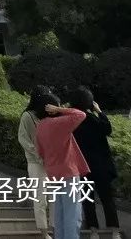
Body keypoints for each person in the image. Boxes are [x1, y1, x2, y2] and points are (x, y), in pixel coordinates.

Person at [67, 87, 118, 235]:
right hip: (101, 166)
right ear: (89, 102)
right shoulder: (93, 119)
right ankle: (114, 231)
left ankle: (93, 230)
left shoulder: (72, 121)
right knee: (107, 199)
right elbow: (108, 129)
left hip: (82, 166)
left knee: (87, 200)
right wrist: (99, 111)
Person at [36, 98, 90, 239]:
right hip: (69, 173)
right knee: (72, 215)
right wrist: (60, 110)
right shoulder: (59, 123)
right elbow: (81, 114)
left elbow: (40, 152)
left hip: (53, 174)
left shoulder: (41, 125)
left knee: (59, 215)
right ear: (52, 108)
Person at [18, 87, 56, 236]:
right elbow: (23, 138)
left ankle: (53, 227)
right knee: (40, 198)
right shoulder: (27, 116)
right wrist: (37, 152)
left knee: (53, 197)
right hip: (36, 162)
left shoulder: (49, 116)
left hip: (52, 162)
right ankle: (44, 231)